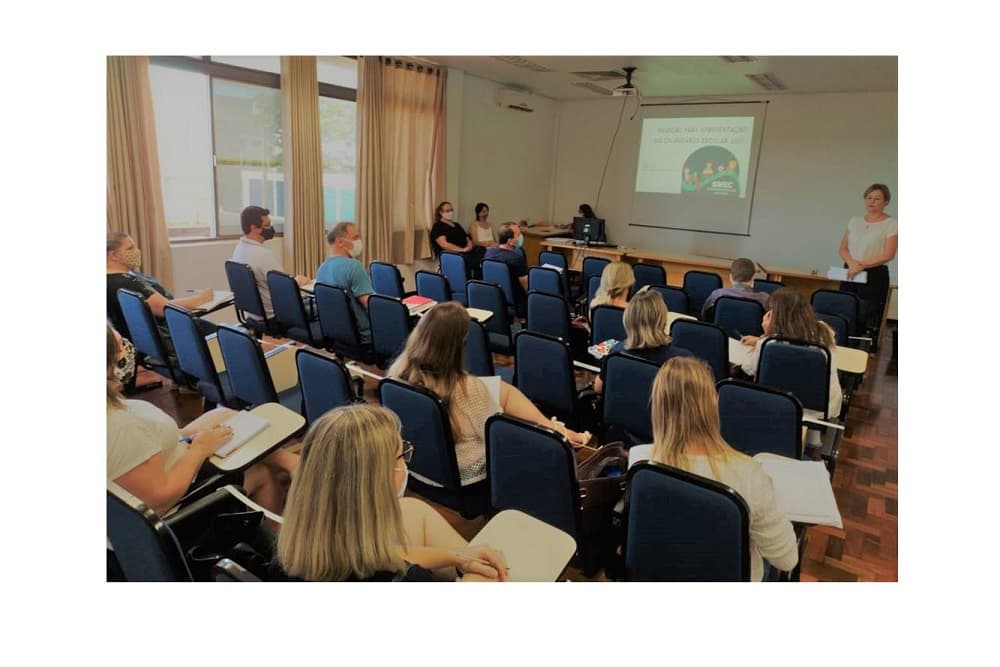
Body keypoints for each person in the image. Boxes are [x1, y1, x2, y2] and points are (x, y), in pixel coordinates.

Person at [272, 404, 509, 582]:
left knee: (414, 510)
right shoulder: (406, 579)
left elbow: (386, 554)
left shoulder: (302, 545)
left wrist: (455, 556)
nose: (404, 464)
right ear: (374, 482)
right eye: (400, 454)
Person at [388, 302, 589, 486]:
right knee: (525, 440)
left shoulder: (396, 375)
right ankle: (559, 434)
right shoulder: (468, 390)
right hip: (463, 474)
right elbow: (495, 435)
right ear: (458, 347)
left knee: (502, 390)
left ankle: (556, 429)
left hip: (414, 465)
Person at [636, 356, 799, 581]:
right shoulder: (750, 476)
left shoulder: (640, 462)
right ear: (714, 403)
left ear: (657, 406)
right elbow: (787, 560)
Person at [106, 325, 296, 516]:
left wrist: (188, 437)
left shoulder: (110, 406)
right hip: (181, 501)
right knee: (259, 470)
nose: (126, 350)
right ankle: (276, 529)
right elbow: (161, 500)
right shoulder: (121, 427)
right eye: (119, 346)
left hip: (172, 452)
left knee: (222, 416)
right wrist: (200, 449)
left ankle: (290, 463)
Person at [739, 287, 843, 419]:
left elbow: (749, 368)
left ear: (776, 315)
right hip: (823, 407)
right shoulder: (825, 330)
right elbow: (799, 339)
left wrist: (766, 334)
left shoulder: (768, 343)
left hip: (780, 405)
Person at [107, 231, 215, 339]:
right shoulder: (128, 282)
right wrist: (202, 298)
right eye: (130, 248)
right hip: (170, 334)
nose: (136, 251)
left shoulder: (116, 278)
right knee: (219, 334)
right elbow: (166, 308)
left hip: (152, 334)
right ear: (114, 255)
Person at [594, 288, 693, 394]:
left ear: (628, 320)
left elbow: (598, 388)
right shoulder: (682, 360)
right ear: (662, 320)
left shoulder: (616, 352)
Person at [838, 183, 897, 348]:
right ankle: (842, 347)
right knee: (845, 310)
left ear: (886, 202)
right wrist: (852, 263)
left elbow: (889, 254)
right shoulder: (854, 221)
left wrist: (861, 264)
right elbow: (842, 248)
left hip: (874, 273)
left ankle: (861, 351)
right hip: (850, 270)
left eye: (877, 198)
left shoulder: (891, 223)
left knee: (866, 315)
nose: (872, 201)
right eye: (869, 197)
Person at [230, 205, 311, 319]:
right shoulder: (263, 255)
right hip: (276, 315)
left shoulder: (239, 249)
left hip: (254, 314)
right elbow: (284, 288)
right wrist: (297, 281)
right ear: (254, 228)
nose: (271, 228)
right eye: (267, 225)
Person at [316, 222, 374, 345]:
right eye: (355, 238)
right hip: (363, 334)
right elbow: (371, 305)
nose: (359, 241)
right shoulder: (355, 267)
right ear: (340, 242)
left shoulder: (322, 268)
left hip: (337, 333)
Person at [701, 257, 771, 319]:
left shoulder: (718, 294)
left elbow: (705, 315)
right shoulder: (764, 299)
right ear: (753, 277)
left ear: (730, 277)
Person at [483, 222, 528, 312]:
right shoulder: (516, 259)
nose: (520, 237)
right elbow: (527, 287)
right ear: (510, 241)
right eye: (518, 235)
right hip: (517, 304)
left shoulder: (488, 253)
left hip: (493, 300)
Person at [431, 201, 486, 270]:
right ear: (440, 212)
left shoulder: (456, 225)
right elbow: (444, 244)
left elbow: (467, 238)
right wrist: (462, 250)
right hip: (453, 254)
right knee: (474, 261)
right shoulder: (438, 226)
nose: (450, 212)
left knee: (482, 250)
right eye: (447, 211)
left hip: (466, 251)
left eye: (451, 210)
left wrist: (469, 245)